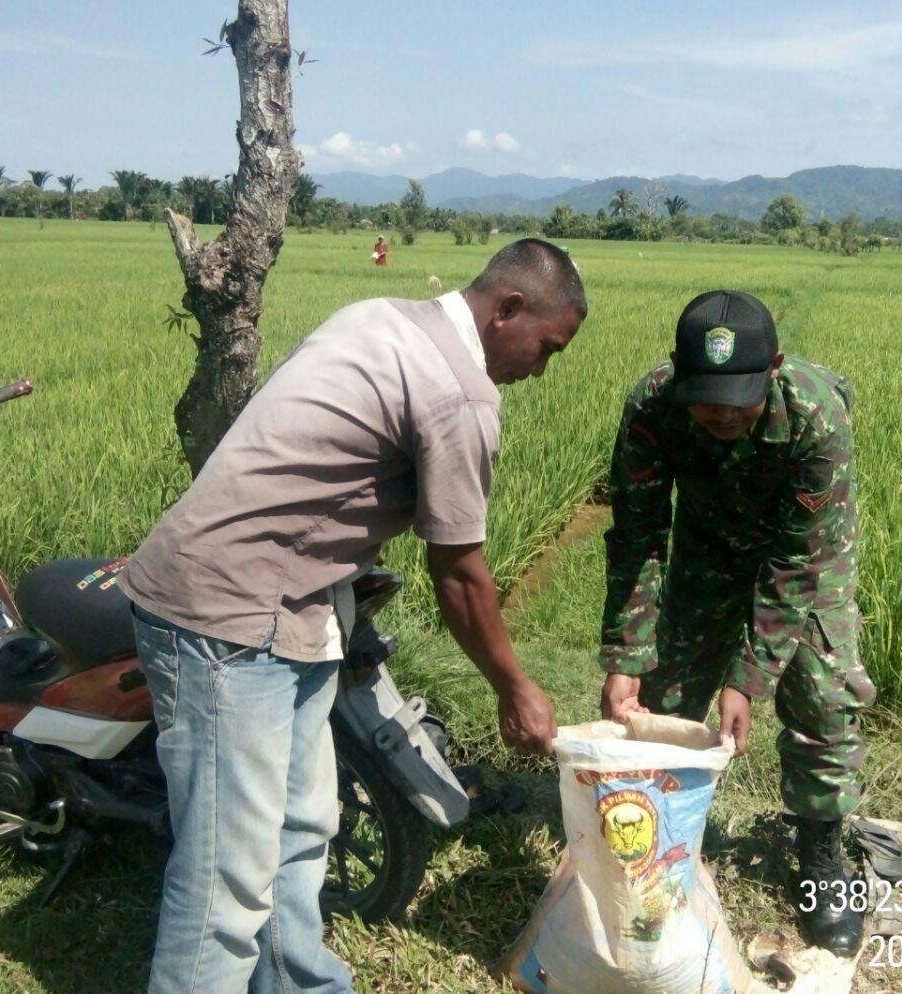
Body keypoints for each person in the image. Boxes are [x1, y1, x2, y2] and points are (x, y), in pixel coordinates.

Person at [119, 239, 587, 994]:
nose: (540, 368)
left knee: (301, 831)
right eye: (548, 347)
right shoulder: (459, 393)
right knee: (227, 877)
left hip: (294, 607)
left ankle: (301, 985)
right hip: (229, 619)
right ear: (508, 309)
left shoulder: (380, 316)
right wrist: (514, 687)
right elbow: (459, 576)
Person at [597, 289, 875, 956]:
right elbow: (637, 532)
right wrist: (627, 655)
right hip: (705, 545)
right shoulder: (654, 405)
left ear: (774, 368)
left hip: (805, 558)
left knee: (824, 698)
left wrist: (747, 678)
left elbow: (796, 559)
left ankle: (820, 852)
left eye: (739, 399)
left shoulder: (816, 417)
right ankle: (655, 840)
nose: (721, 414)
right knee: (655, 705)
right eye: (707, 398)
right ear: (678, 372)